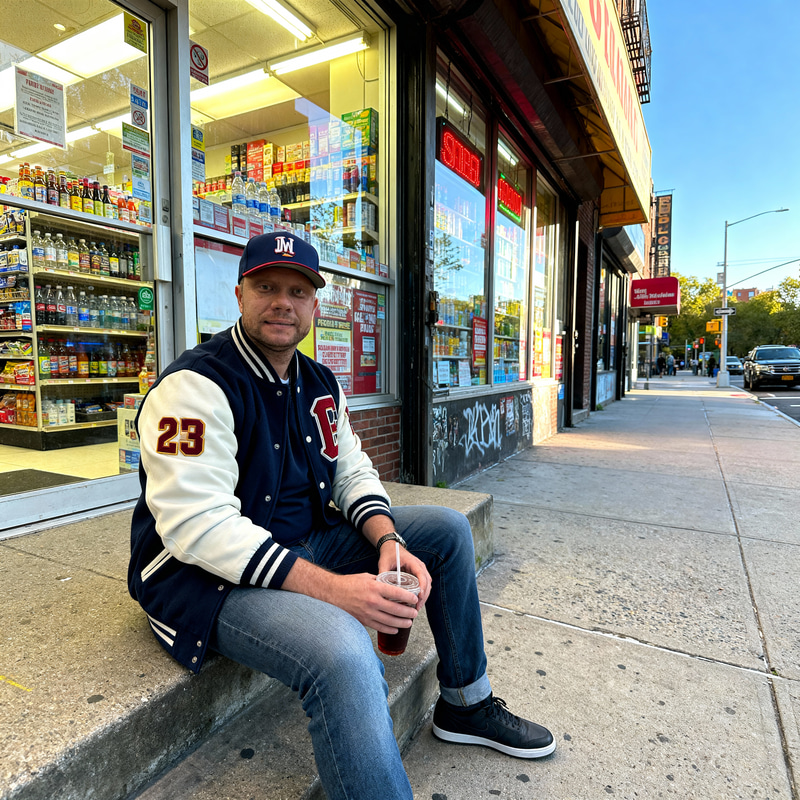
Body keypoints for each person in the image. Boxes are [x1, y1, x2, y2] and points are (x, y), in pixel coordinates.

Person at [128, 231, 555, 800]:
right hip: (204, 580)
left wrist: (388, 542)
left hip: (305, 541)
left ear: (314, 304)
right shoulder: (194, 385)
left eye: (298, 291)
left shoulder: (319, 381)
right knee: (346, 650)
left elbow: (351, 472)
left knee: (447, 530)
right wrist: (336, 593)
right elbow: (196, 527)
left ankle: (465, 705)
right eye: (267, 287)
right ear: (239, 294)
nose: (283, 303)